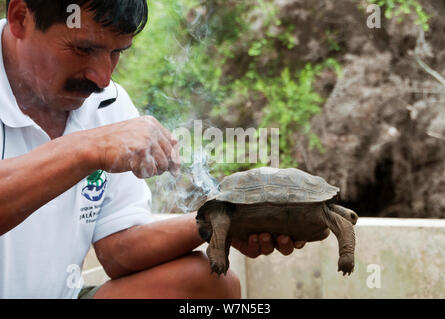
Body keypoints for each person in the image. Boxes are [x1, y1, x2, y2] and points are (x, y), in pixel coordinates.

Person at [0, 0, 306, 299]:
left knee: (208, 283)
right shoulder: (99, 136)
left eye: (117, 52)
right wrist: (89, 148)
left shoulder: (111, 104)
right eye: (83, 49)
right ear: (20, 18)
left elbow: (118, 252)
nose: (103, 79)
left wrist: (219, 220)